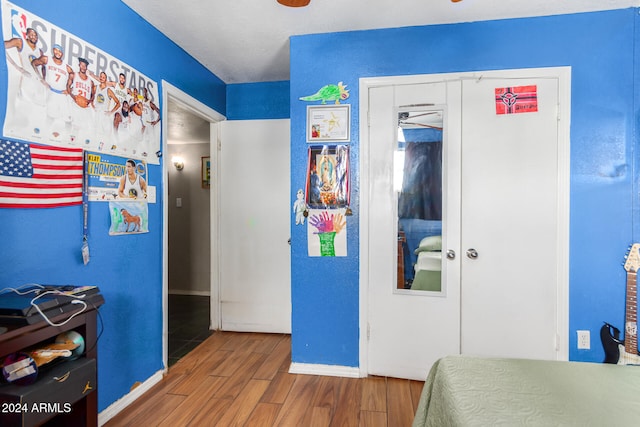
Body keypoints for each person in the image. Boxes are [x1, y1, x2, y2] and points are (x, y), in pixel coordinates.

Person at [30, 44, 73, 139]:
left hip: (62, 95)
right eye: (56, 50)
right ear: (53, 50)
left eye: (60, 51)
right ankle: (43, 134)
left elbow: (72, 78)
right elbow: (33, 63)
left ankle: (68, 138)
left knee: (68, 119)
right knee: (50, 116)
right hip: (51, 92)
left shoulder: (67, 67)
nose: (58, 53)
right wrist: (40, 78)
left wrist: (69, 90)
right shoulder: (46, 59)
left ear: (62, 53)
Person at [4, 27, 45, 105]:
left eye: (35, 35)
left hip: (37, 88)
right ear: (27, 35)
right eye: (31, 34)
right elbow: (2, 46)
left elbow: (43, 68)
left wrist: (42, 80)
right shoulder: (20, 42)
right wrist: (17, 67)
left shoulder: (40, 52)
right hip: (25, 84)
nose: (34, 37)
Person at [67, 57, 96, 141]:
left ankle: (77, 143)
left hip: (85, 108)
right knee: (73, 126)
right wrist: (74, 97)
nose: (83, 67)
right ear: (79, 65)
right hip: (75, 105)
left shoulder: (90, 81)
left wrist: (90, 101)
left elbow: (93, 94)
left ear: (87, 67)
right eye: (82, 65)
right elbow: (68, 87)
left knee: (84, 129)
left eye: (85, 66)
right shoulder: (73, 75)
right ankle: (70, 143)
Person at [92, 71, 120, 138]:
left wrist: (111, 112)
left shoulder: (108, 90)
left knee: (104, 136)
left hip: (104, 115)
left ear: (106, 79)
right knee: (95, 134)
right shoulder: (95, 87)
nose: (101, 78)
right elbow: (91, 96)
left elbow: (118, 103)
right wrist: (92, 104)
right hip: (96, 114)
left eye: (103, 77)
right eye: (101, 77)